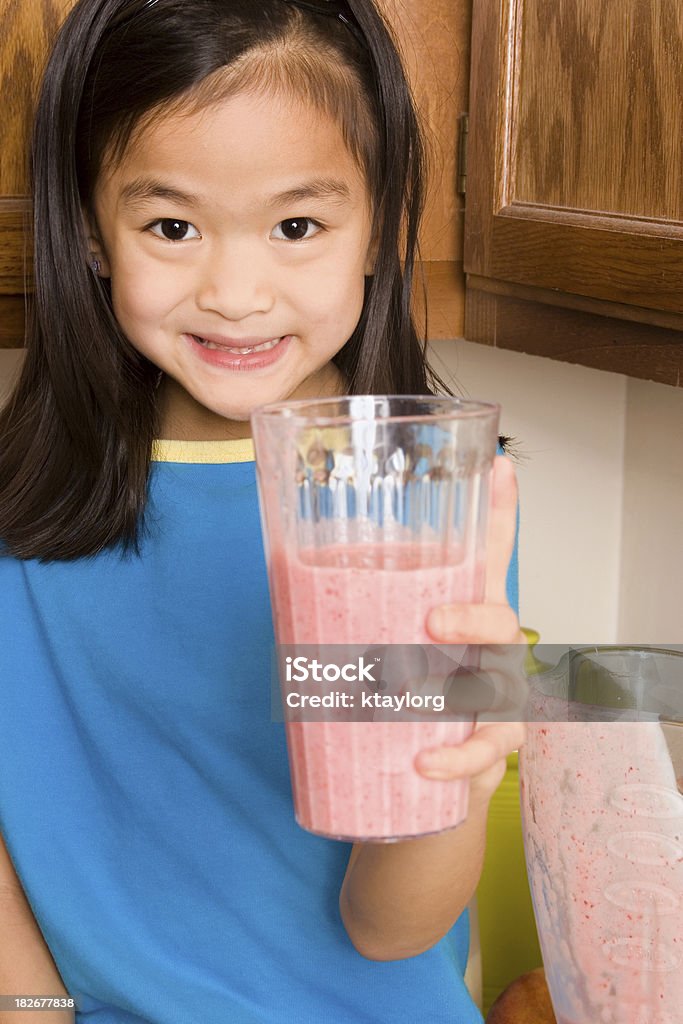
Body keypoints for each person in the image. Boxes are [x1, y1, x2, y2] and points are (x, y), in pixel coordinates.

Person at [0, 0, 525, 1020]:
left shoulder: (432, 504)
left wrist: (450, 761)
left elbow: (390, 927)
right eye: (171, 226)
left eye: (295, 225)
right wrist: (29, 1006)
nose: (235, 292)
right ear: (90, 232)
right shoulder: (20, 504)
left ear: (376, 224)